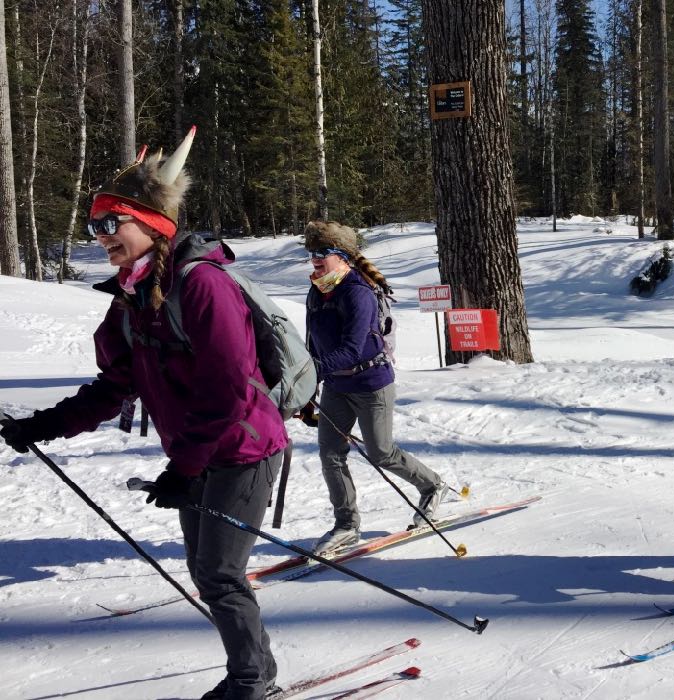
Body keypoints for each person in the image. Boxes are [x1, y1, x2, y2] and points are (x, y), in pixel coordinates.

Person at [0, 130, 286, 700]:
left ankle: (253, 682)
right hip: (195, 454)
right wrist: (42, 426)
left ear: (153, 224)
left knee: (220, 572)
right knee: (207, 571)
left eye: (112, 222)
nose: (101, 236)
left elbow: (227, 389)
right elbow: (114, 386)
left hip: (243, 448)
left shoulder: (202, 286)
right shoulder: (133, 297)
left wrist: (184, 467)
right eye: (94, 226)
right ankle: (254, 668)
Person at [302, 220, 447, 555]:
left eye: (323, 251)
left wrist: (312, 371)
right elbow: (314, 343)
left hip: (370, 384)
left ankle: (432, 486)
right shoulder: (317, 291)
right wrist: (309, 386)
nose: (315, 258)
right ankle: (346, 525)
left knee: (381, 452)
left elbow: (353, 349)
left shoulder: (357, 292)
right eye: (312, 252)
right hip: (336, 386)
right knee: (330, 453)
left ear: (342, 256)